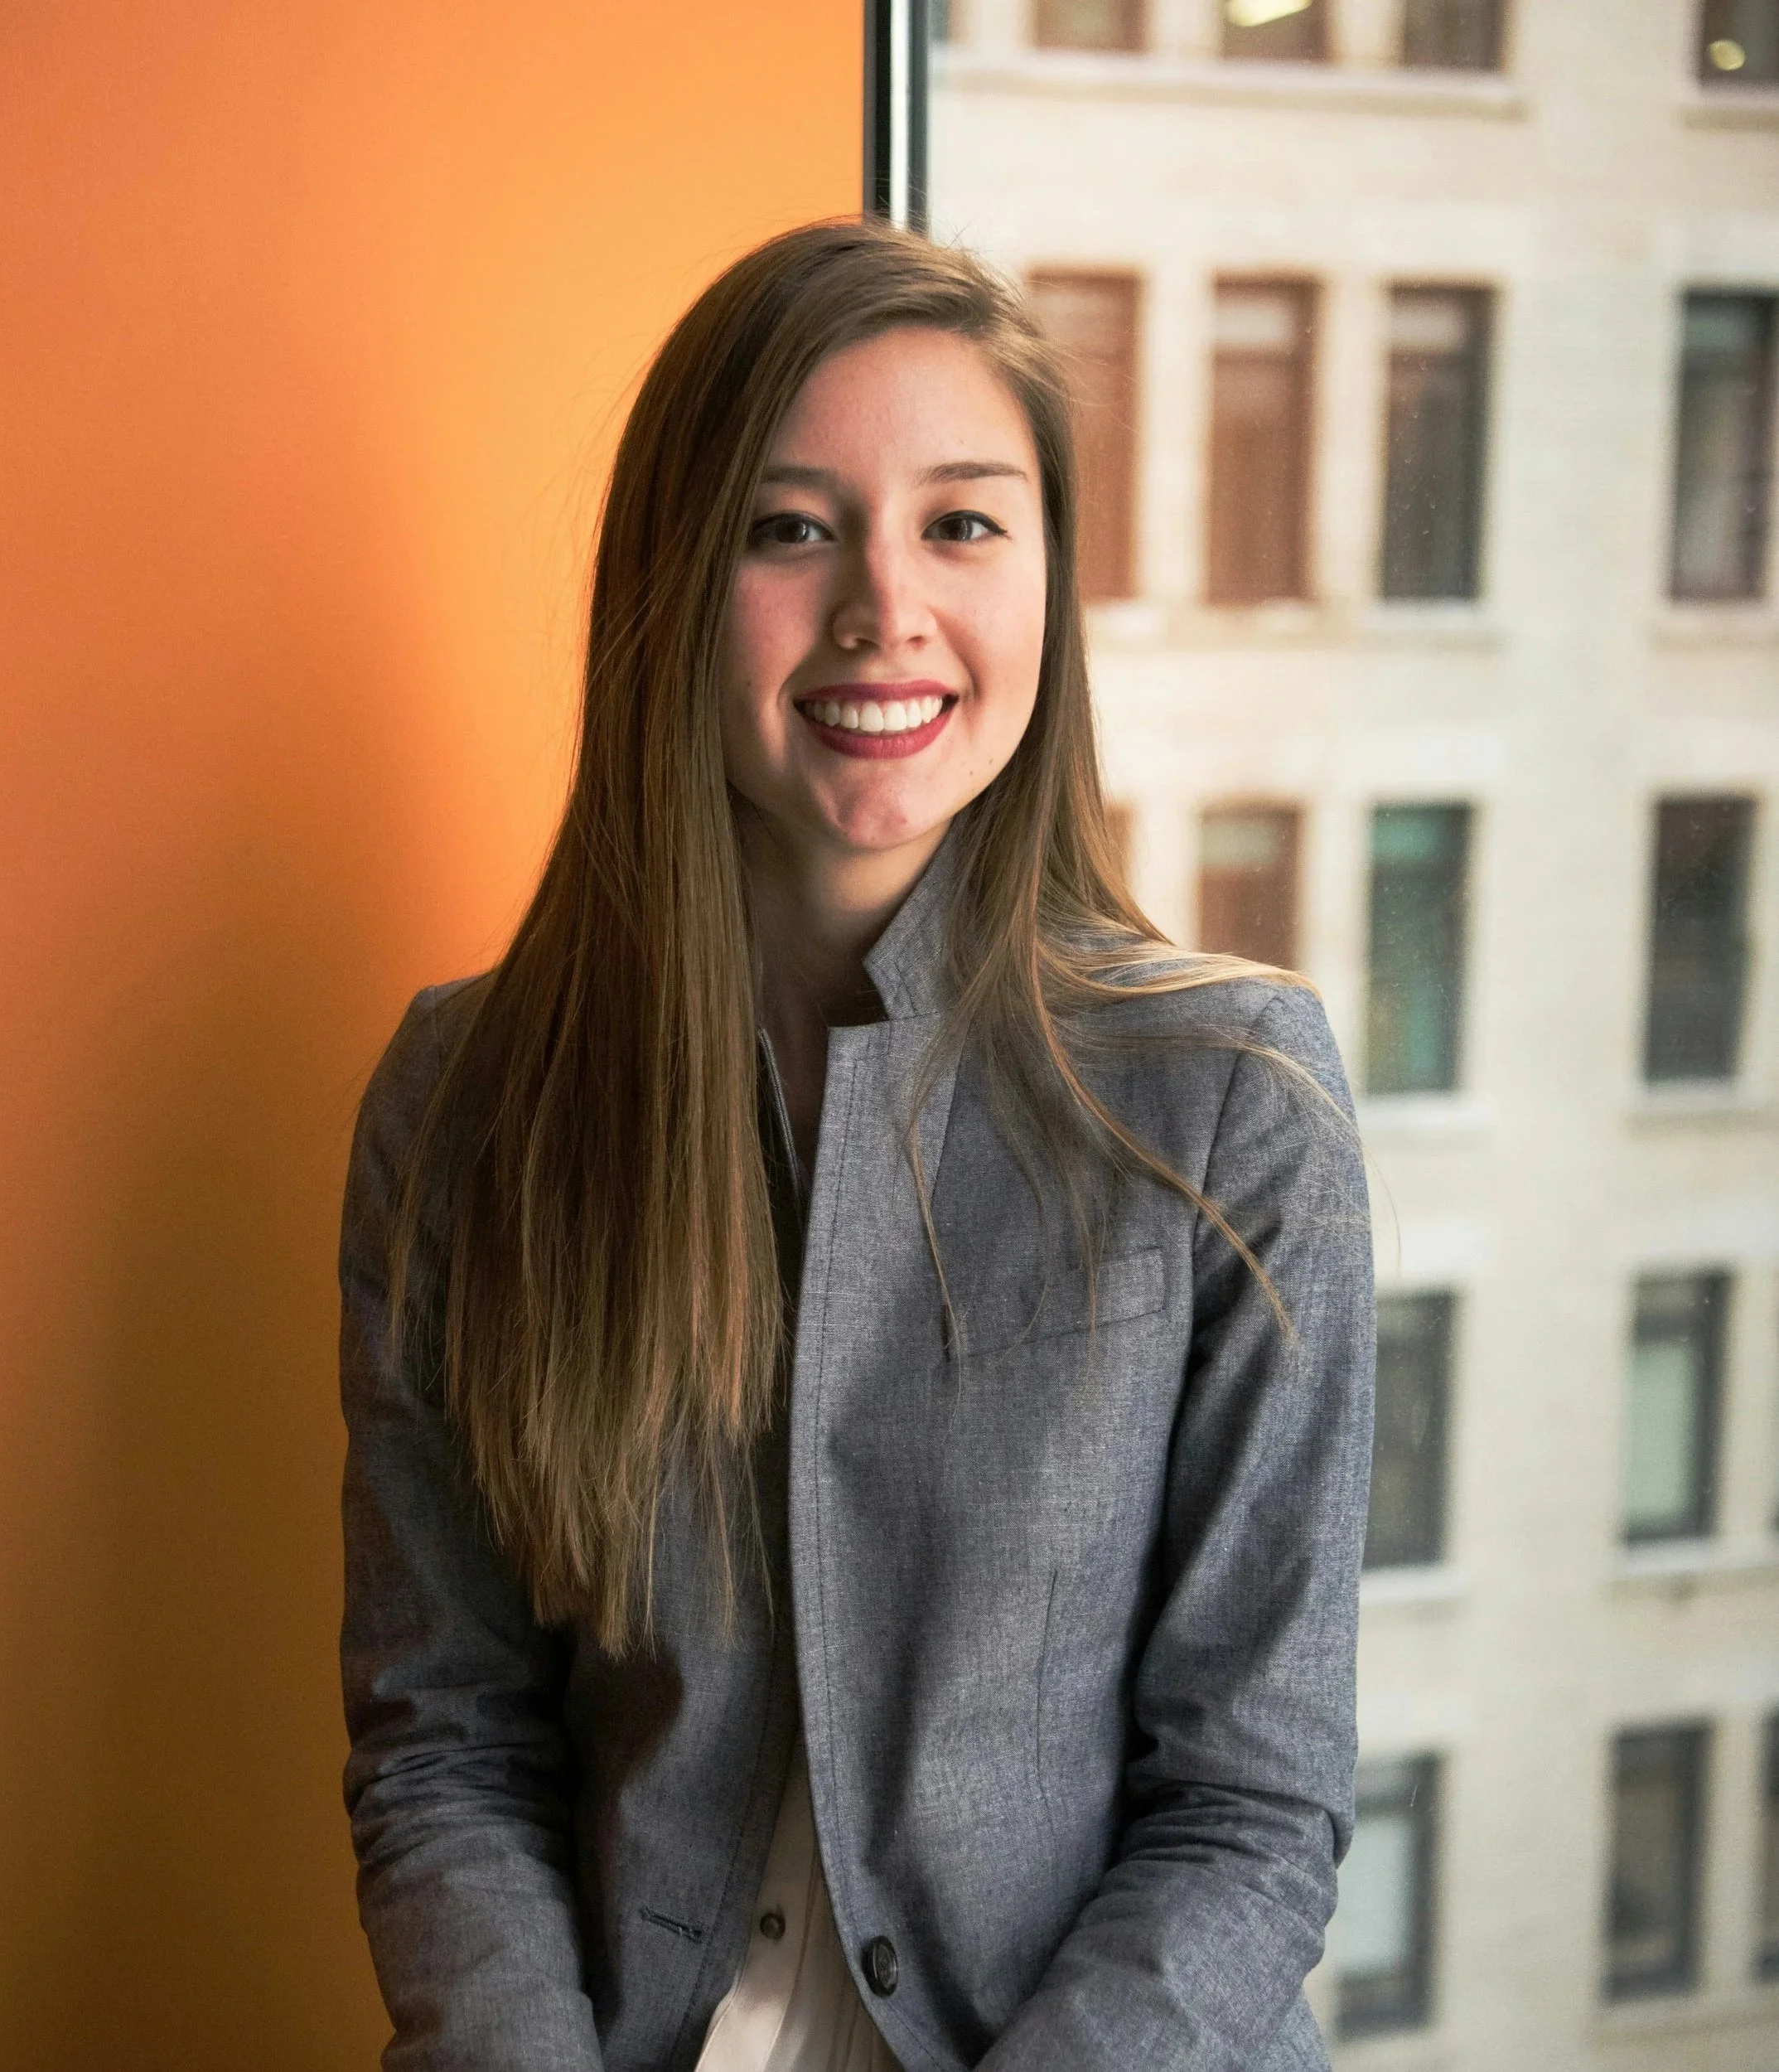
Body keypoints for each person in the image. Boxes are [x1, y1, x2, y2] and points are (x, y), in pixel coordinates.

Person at [338, 220, 1375, 2072]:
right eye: (787, 525)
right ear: (671, 579)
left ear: (1046, 581)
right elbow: (452, 1741)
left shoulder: (1235, 1097)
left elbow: (1247, 1809)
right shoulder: (464, 1098)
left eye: (961, 524)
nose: (882, 607)